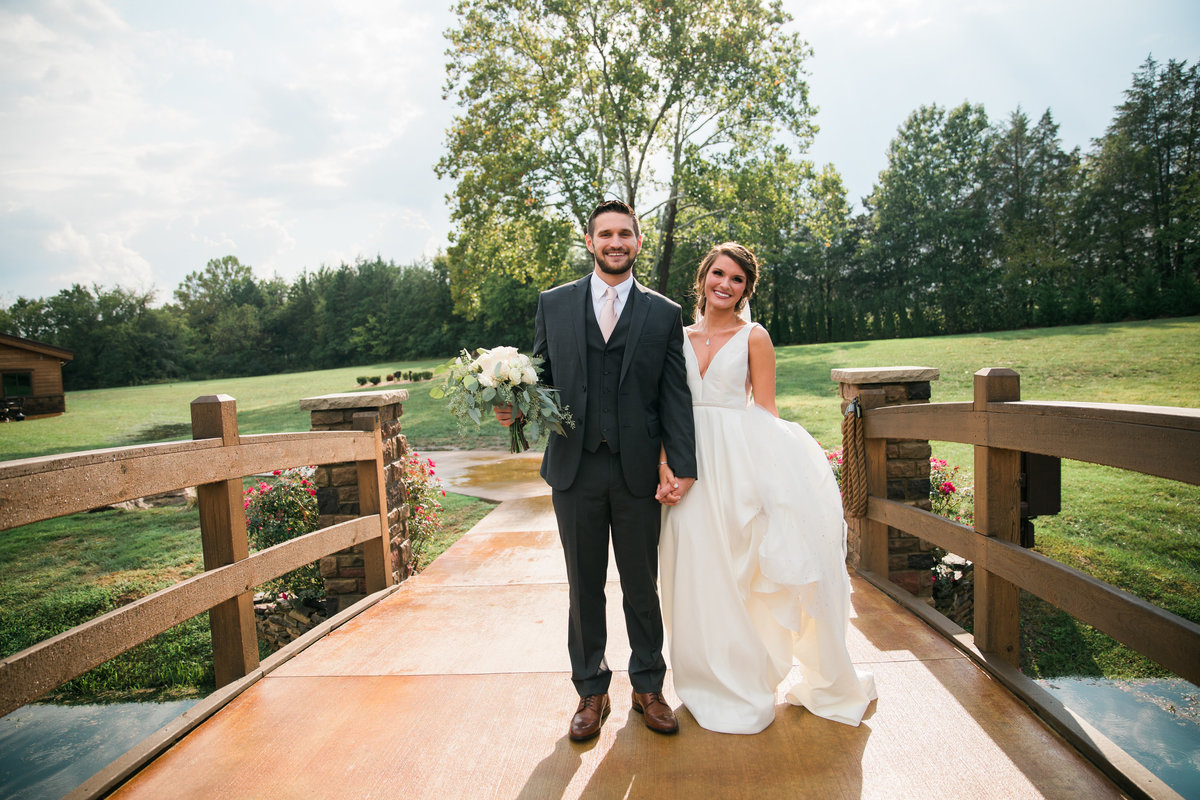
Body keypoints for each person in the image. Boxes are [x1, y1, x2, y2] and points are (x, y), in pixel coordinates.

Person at [495, 199, 697, 741]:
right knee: (584, 586)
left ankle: (648, 687)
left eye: (625, 234)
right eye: (605, 233)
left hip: (637, 473)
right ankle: (591, 691)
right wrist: (513, 405)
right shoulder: (554, 304)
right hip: (574, 469)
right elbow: (539, 381)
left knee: (641, 585)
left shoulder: (663, 312)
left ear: (637, 242)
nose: (615, 242)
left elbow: (674, 397)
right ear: (590, 241)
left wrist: (683, 466)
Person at [658, 242, 877, 735]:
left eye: (737, 279)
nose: (725, 284)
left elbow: (766, 411)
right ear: (703, 277)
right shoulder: (676, 335)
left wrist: (773, 484)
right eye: (718, 273)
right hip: (688, 461)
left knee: (740, 572)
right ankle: (700, 679)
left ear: (746, 289)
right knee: (690, 571)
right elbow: (664, 406)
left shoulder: (755, 336)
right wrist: (666, 463)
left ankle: (744, 680)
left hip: (739, 465)